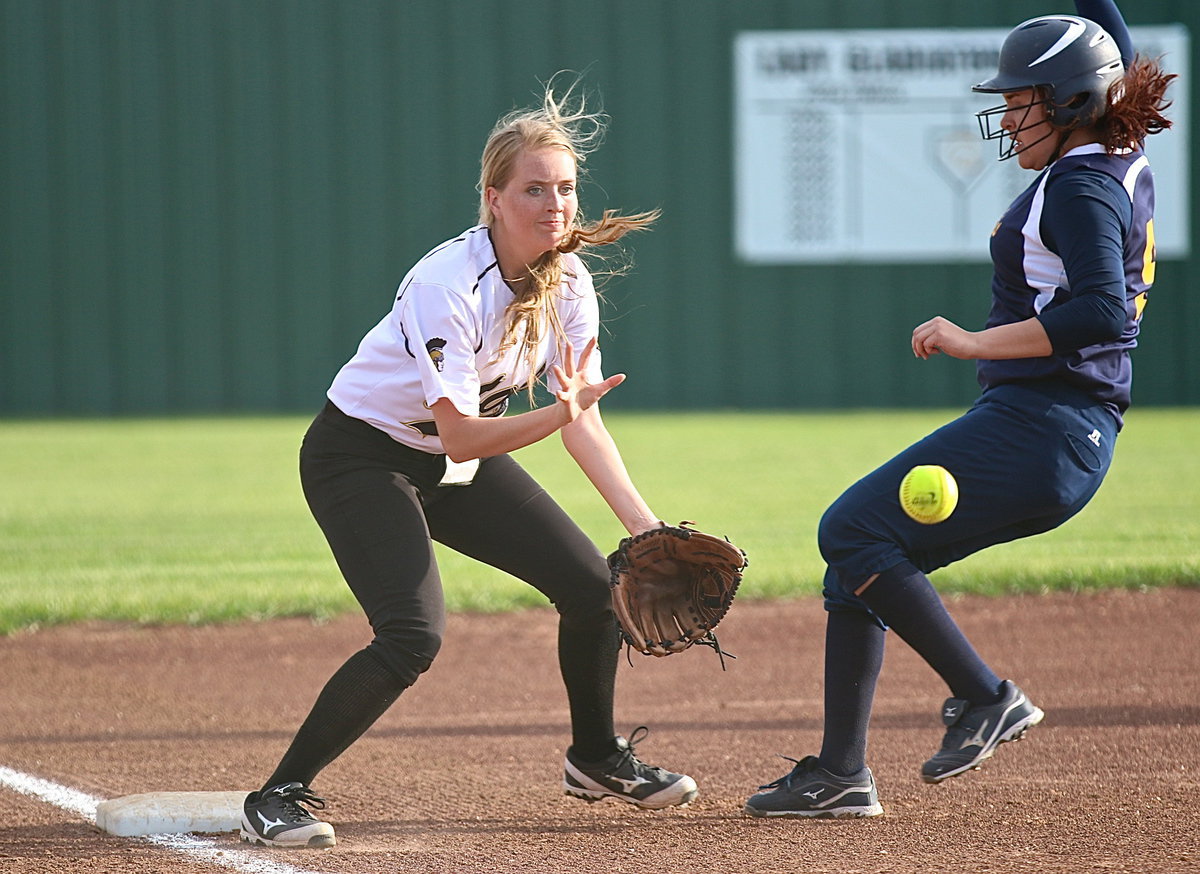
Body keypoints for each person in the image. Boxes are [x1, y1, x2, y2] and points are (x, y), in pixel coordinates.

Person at [239, 79, 697, 849]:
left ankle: (595, 759)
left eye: (566, 189)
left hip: (453, 456)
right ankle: (278, 793)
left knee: (594, 589)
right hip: (362, 455)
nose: (554, 206)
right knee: (412, 635)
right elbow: (463, 438)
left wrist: (645, 527)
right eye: (533, 190)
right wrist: (559, 413)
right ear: (492, 197)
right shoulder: (447, 283)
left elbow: (581, 424)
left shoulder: (569, 281)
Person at [745, 0, 1175, 818]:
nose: (1009, 119)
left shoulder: (1080, 187)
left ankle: (985, 697)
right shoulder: (1117, 148)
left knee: (849, 529)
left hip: (1045, 425)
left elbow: (1102, 312)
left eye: (1022, 103)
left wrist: (974, 342)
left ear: (1072, 102)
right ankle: (841, 775)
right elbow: (1107, 48)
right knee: (856, 568)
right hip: (1060, 428)